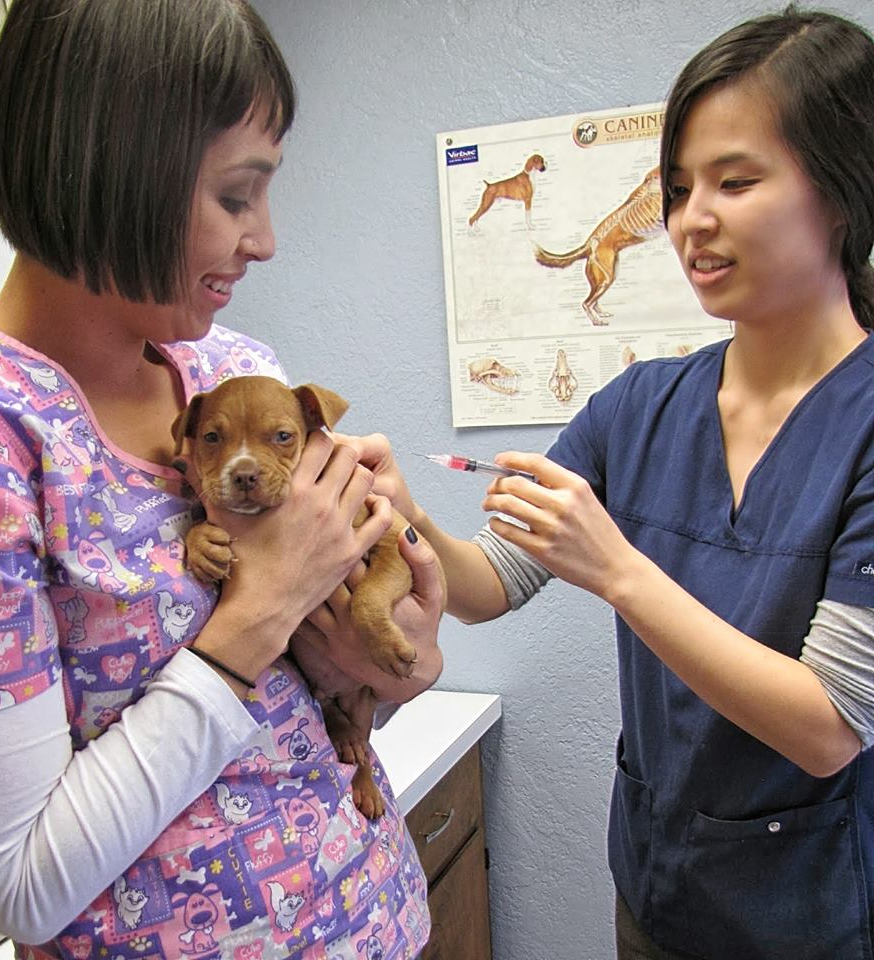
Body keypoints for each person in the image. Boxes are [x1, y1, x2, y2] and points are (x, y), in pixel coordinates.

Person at [0, 2, 443, 958]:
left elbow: (381, 664)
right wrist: (259, 610)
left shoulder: (227, 370)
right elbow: (23, 885)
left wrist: (402, 635)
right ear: (113, 169)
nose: (266, 239)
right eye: (238, 197)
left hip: (381, 917)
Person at [351, 6, 874, 959]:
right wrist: (406, 516)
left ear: (843, 192)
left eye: (736, 180)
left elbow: (831, 726)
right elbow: (487, 586)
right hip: (658, 888)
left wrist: (619, 570)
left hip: (812, 911)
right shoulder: (638, 405)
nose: (690, 220)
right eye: (677, 188)